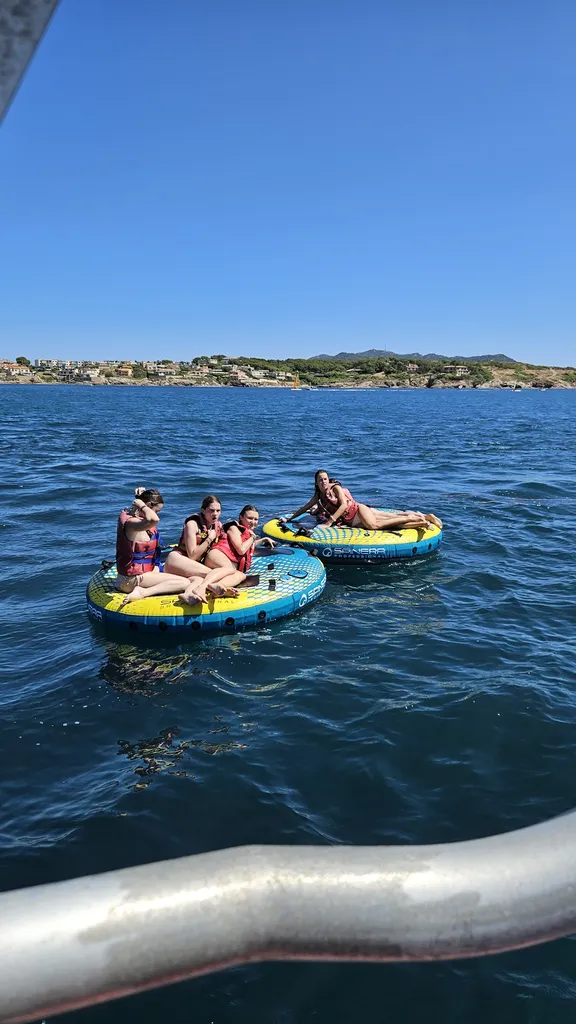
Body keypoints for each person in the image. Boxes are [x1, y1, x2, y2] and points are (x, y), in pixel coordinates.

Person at [117, 489, 237, 606]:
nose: (157, 514)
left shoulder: (140, 520)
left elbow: (144, 514)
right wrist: (141, 504)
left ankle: (192, 592)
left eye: (218, 510)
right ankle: (143, 592)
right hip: (130, 579)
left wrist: (139, 500)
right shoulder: (131, 524)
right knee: (184, 582)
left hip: (145, 573)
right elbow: (153, 519)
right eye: (157, 511)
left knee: (196, 580)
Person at [280, 470, 442, 532]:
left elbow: (343, 504)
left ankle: (413, 518)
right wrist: (289, 519)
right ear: (316, 482)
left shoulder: (335, 488)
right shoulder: (318, 496)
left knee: (375, 526)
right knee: (391, 523)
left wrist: (330, 522)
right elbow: (304, 508)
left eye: (325, 479)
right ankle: (424, 519)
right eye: (320, 480)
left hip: (357, 511)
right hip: (352, 522)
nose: (324, 482)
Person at [204, 504, 276, 589]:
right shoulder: (234, 528)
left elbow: (248, 547)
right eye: (250, 518)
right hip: (218, 556)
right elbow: (241, 550)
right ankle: (204, 586)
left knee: (241, 576)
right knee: (230, 570)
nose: (253, 522)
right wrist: (253, 537)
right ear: (241, 517)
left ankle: (218, 586)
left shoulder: (246, 532)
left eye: (256, 519)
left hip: (227, 563)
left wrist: (263, 540)